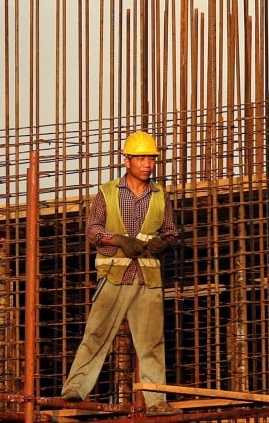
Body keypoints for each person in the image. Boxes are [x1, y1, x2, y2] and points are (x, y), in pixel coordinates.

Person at [61, 130, 182, 417]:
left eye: (151, 158)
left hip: (147, 278)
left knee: (152, 342)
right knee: (96, 334)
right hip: (115, 277)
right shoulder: (108, 193)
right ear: (126, 161)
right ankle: (75, 390)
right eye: (140, 158)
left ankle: (156, 401)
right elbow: (92, 230)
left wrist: (163, 242)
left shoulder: (160, 196)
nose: (147, 164)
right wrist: (117, 240)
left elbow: (171, 232)